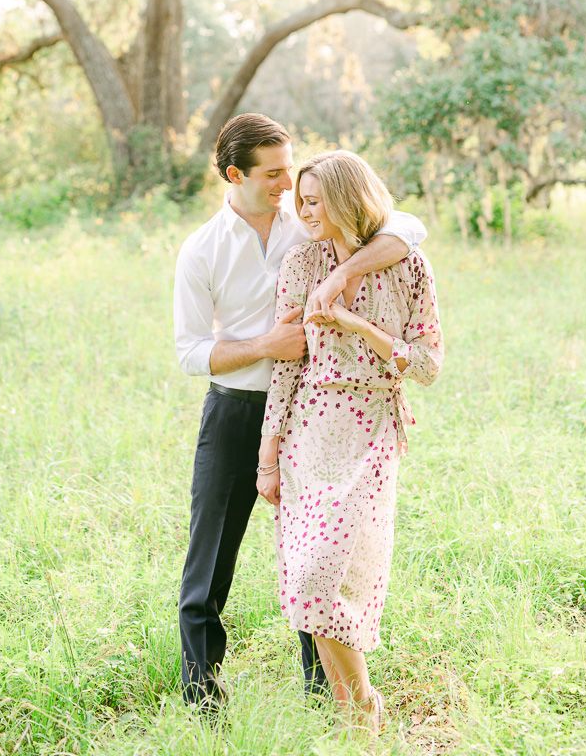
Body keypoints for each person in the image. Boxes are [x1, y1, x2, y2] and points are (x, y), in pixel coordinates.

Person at [174, 114, 427, 710]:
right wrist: (267, 346)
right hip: (236, 410)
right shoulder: (202, 251)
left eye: (291, 169)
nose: (286, 183)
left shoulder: (310, 223)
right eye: (274, 173)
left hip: (317, 412)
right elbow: (189, 353)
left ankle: (324, 695)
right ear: (235, 175)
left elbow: (406, 228)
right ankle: (201, 698)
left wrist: (342, 271)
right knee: (209, 558)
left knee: (316, 554)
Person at [257, 150, 444, 734]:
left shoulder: (409, 267)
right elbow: (287, 367)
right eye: (300, 201)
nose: (302, 211)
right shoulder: (300, 264)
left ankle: (360, 706)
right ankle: (358, 708)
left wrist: (358, 326)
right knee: (309, 577)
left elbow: (430, 366)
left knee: (341, 576)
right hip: (310, 430)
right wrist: (267, 452)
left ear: (345, 199)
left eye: (313, 201)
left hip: (372, 425)